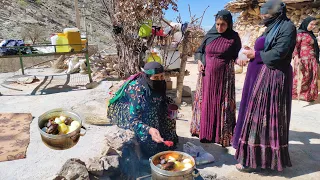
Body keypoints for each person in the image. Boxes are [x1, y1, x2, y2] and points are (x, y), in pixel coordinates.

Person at [235, 0, 296, 172]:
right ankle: (255, 158)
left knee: (263, 116)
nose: (264, 16)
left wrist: (255, 54)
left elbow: (279, 52)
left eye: (267, 13)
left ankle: (258, 159)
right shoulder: (273, 27)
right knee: (259, 117)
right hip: (264, 74)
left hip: (274, 77)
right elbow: (268, 47)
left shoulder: (287, 28)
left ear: (277, 12)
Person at [107, 62, 178, 156]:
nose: (160, 80)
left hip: (147, 105)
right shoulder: (137, 89)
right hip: (127, 111)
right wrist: (149, 129)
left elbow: (161, 100)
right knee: (150, 115)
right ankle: (150, 147)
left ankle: (167, 139)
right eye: (156, 77)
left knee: (168, 106)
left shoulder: (162, 83)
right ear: (147, 76)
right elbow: (133, 120)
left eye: (161, 76)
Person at [192, 9, 241, 147]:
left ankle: (219, 135)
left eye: (223, 24)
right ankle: (205, 132)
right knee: (207, 102)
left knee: (220, 103)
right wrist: (200, 61)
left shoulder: (233, 37)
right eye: (218, 24)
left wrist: (241, 58)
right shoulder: (210, 35)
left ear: (229, 24)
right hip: (206, 77)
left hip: (223, 78)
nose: (220, 27)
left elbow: (238, 55)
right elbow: (199, 51)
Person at [232, 36, 266, 149]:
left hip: (263, 75)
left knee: (257, 111)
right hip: (254, 72)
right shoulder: (270, 29)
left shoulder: (284, 30)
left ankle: (252, 146)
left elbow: (278, 53)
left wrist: (255, 54)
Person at [292, 16, 319, 102]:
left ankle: (308, 95)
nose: (313, 26)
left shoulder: (311, 34)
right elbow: (295, 46)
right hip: (303, 60)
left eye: (314, 25)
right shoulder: (300, 34)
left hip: (312, 60)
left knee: (311, 78)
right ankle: (294, 94)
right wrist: (296, 58)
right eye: (311, 24)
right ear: (306, 23)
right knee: (303, 78)